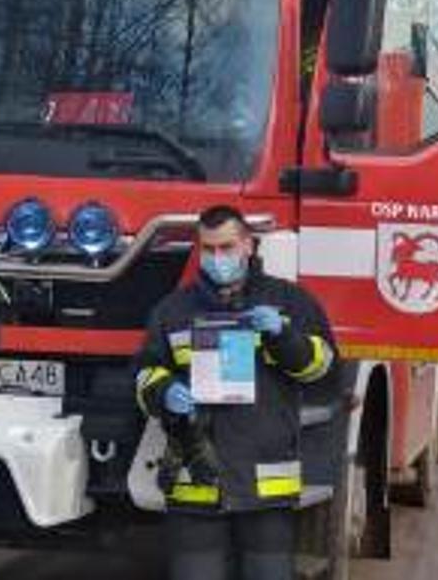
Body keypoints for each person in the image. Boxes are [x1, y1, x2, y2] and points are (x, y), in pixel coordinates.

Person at [134, 205, 339, 580]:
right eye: (208, 249)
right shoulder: (173, 309)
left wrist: (284, 336)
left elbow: (324, 371)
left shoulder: (291, 302)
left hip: (266, 487)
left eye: (226, 247)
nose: (217, 258)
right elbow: (144, 372)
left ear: (248, 245)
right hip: (196, 485)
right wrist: (164, 391)